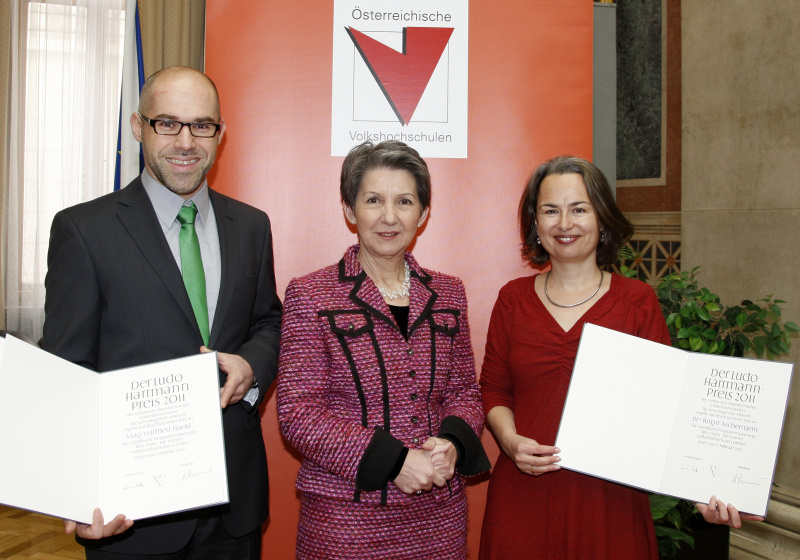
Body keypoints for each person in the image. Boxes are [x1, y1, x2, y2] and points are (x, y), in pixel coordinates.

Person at [42, 66, 282, 560]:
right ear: (138, 126)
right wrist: (76, 492)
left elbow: (267, 322)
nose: (186, 141)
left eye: (202, 125)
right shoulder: (84, 230)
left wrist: (252, 364)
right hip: (132, 516)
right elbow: (66, 374)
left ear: (221, 133)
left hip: (233, 507)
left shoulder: (252, 226)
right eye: (167, 123)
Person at [478, 156, 762, 559]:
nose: (564, 223)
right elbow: (493, 387)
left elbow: (665, 411)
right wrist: (509, 441)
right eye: (550, 210)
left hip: (610, 503)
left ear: (602, 218)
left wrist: (701, 488)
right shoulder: (512, 300)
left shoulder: (637, 303)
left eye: (579, 209)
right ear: (534, 223)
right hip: (524, 496)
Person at [277, 140, 490, 559]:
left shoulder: (449, 292)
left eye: (405, 201)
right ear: (350, 210)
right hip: (345, 519)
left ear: (424, 213)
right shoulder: (311, 294)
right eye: (373, 200)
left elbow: (465, 391)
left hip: (438, 518)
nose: (389, 217)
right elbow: (298, 415)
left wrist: (452, 443)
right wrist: (394, 462)